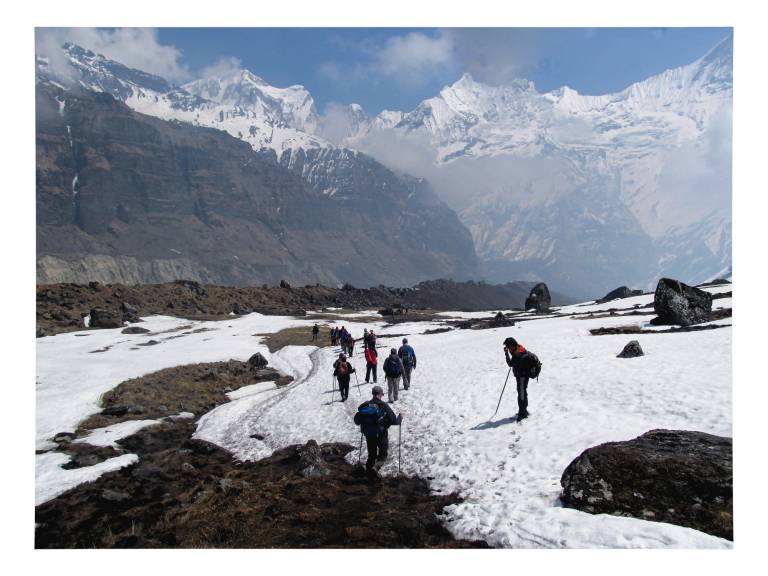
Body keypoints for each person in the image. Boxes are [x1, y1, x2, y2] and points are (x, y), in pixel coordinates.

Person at [354, 385, 403, 480]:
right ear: (380, 394)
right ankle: (375, 469)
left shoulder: (366, 405)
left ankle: (368, 474)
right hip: (381, 433)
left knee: (372, 455)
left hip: (369, 434)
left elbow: (357, 421)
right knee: (383, 455)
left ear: (373, 394)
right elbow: (393, 420)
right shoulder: (383, 405)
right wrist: (400, 418)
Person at [504, 337, 530, 420]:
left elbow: (510, 364)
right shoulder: (519, 347)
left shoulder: (517, 354)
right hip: (523, 375)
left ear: (512, 345)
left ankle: (523, 413)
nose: (508, 348)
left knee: (521, 394)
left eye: (508, 346)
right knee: (523, 393)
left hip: (522, 376)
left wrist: (506, 354)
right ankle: (524, 411)